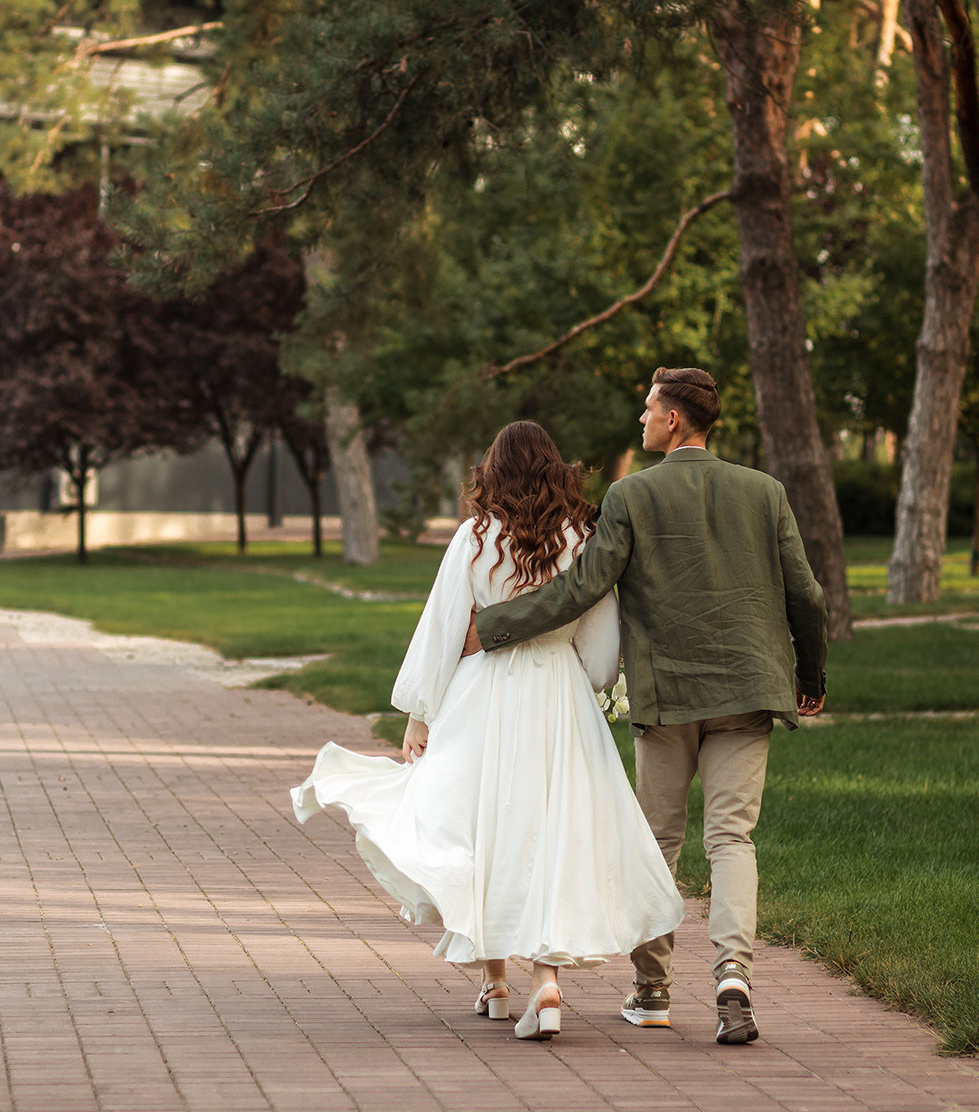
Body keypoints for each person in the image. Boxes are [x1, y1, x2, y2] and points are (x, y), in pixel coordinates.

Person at [464, 367, 828, 1045]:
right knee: (731, 838)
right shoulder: (765, 492)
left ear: (675, 421)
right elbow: (805, 594)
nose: (641, 419)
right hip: (750, 688)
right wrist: (811, 673)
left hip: (667, 696)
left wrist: (492, 626)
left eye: (648, 409)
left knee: (657, 840)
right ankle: (733, 977)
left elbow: (579, 590)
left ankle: (653, 990)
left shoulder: (631, 496)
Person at [291, 421, 684, 1042]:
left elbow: (444, 628)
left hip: (485, 693)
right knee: (547, 831)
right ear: (556, 470)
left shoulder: (475, 539)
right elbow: (603, 649)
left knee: (483, 823)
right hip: (558, 696)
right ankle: (544, 981)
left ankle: (494, 980)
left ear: (491, 472)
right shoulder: (581, 539)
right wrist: (590, 681)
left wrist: (420, 714)